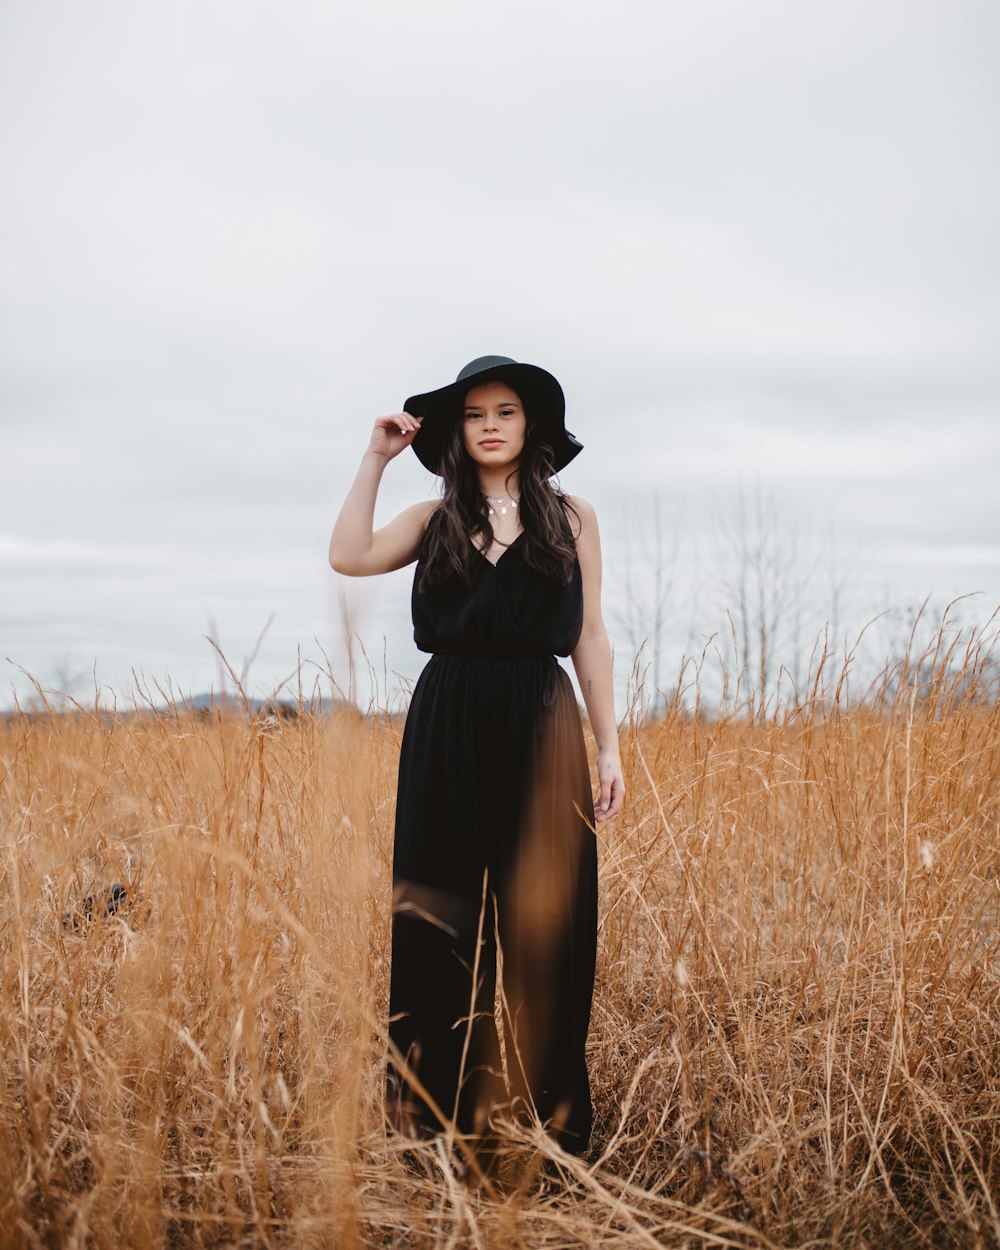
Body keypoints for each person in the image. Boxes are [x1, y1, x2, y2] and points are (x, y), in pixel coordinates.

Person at [328, 355, 624, 1166]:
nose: (490, 424)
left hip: (544, 718)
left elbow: (590, 636)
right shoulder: (434, 516)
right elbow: (348, 558)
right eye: (473, 413)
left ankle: (551, 1130)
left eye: (506, 410)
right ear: (457, 431)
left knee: (550, 928)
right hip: (448, 717)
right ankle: (431, 1132)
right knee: (439, 918)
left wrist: (609, 746)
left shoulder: (576, 516)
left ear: (532, 425)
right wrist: (375, 459)